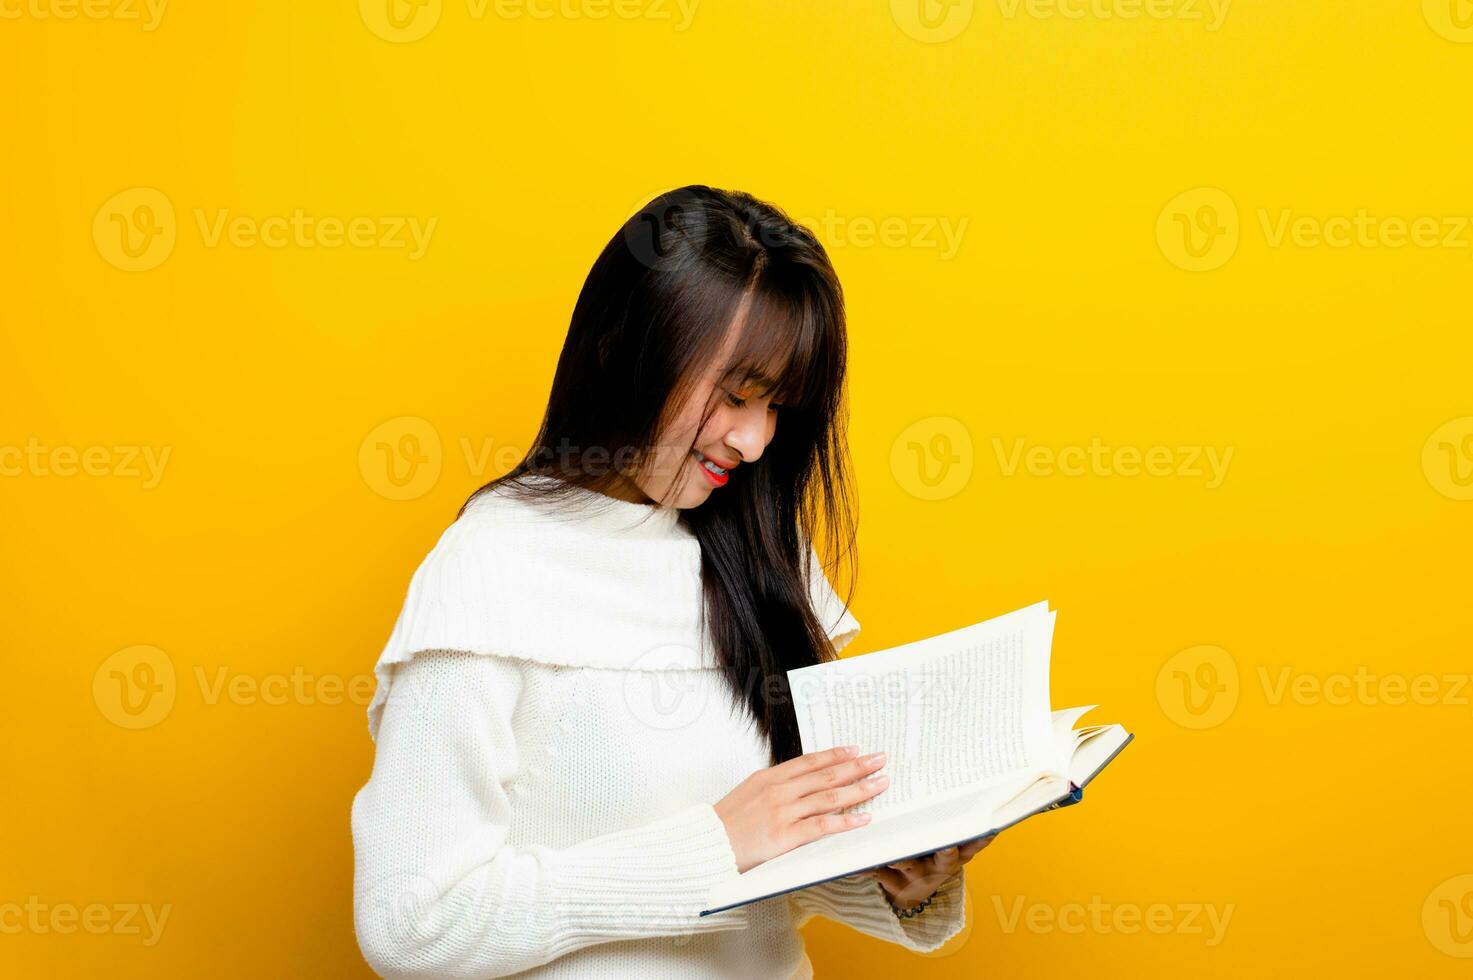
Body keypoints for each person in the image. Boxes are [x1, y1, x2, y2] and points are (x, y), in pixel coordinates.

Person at [351, 185, 993, 979]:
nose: (755, 440)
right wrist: (709, 846)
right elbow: (411, 922)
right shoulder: (491, 566)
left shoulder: (760, 549)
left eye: (777, 409)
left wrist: (907, 881)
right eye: (735, 395)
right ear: (626, 349)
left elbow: (773, 871)